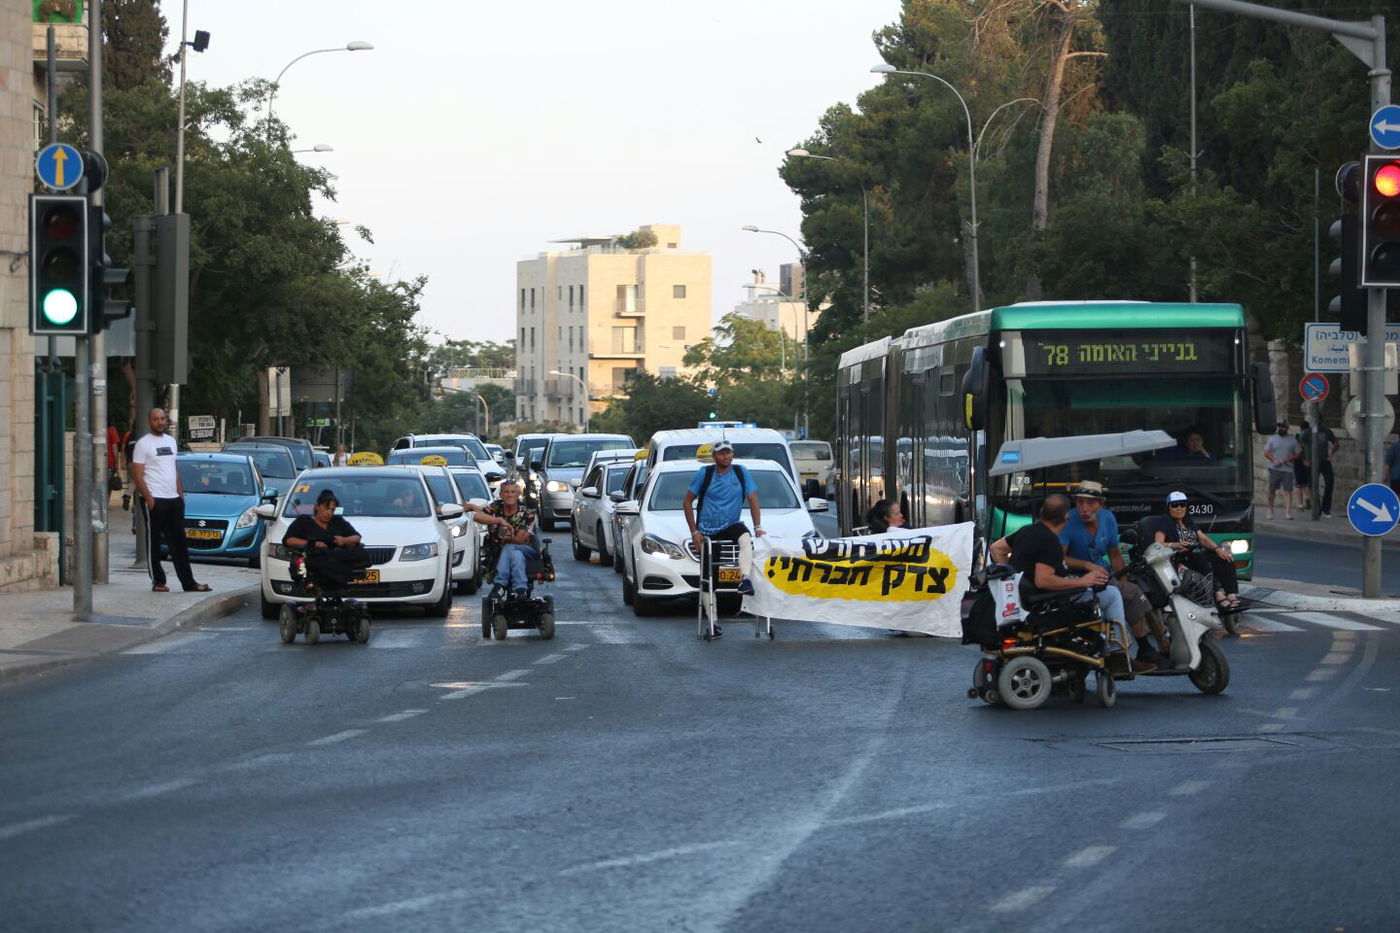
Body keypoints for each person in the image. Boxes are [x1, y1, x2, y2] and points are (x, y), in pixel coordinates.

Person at [989, 494, 1155, 673]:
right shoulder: (1050, 541)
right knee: (1112, 594)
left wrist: (1011, 578)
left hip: (1028, 598)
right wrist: (1082, 581)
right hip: (1048, 602)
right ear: (1066, 517)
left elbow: (996, 549)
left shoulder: (1026, 531)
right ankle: (1117, 655)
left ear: (1042, 512)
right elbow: (1043, 580)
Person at [1060, 481, 1168, 665]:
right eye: (1080, 503)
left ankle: (1160, 644)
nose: (1084, 508)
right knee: (1133, 594)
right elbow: (1059, 558)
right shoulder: (1068, 521)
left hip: (1104, 574)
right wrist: (1085, 564)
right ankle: (1145, 647)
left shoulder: (1108, 518)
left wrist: (1124, 579)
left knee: (1139, 590)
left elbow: (1115, 554)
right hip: (1078, 579)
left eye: (1090, 503)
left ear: (1101, 504)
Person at [683, 440, 765, 638]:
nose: (726, 457)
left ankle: (744, 579)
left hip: (730, 525)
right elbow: (687, 501)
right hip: (707, 530)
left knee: (745, 537)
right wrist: (694, 532)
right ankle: (713, 623)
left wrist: (758, 527)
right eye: (721, 453)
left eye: (728, 453)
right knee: (709, 578)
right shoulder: (705, 473)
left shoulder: (740, 472)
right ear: (714, 456)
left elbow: (753, 499)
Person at [131, 407, 210, 594]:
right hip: (155, 500)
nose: (160, 422)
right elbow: (137, 475)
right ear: (150, 421)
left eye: (162, 418)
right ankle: (158, 581)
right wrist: (149, 499)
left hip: (173, 500)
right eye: (156, 419)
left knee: (180, 543)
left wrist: (180, 495)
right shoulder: (143, 444)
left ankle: (188, 583)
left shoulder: (171, 442)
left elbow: (173, 470)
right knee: (155, 543)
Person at [1150, 490, 1242, 612]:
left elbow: (1203, 539)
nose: (1179, 508)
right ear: (1168, 507)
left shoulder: (1188, 521)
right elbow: (1158, 544)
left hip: (1196, 554)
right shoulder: (1164, 521)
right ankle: (1217, 594)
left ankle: (1231, 595)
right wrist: (1176, 544)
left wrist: (1218, 549)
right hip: (1179, 558)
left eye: (1182, 505)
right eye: (1175, 505)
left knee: (1225, 558)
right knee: (1199, 557)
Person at [283, 489, 370, 585]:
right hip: (315, 555)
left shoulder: (338, 521)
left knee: (361, 553)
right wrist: (313, 544)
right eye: (326, 508)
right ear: (317, 506)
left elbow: (357, 537)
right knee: (318, 559)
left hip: (337, 555)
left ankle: (336, 564)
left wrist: (345, 540)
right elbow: (288, 540)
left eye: (332, 510)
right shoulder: (303, 521)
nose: (329, 513)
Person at [473, 479, 539, 599]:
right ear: (500, 494)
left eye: (513, 492)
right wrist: (498, 520)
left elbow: (519, 540)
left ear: (518, 494)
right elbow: (477, 516)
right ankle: (520, 589)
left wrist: (507, 537)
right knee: (516, 555)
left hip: (527, 549)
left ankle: (499, 584)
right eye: (506, 492)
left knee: (510, 547)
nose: (510, 495)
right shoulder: (495, 507)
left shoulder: (527, 513)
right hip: (501, 551)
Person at [1297, 419, 1339, 518]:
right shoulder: (1307, 433)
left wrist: (1332, 454)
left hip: (1325, 461)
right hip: (1312, 463)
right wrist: (1304, 460)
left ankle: (1326, 508)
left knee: (1329, 483)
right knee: (1313, 486)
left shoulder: (1326, 431)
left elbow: (1336, 443)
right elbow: (1299, 447)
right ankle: (1317, 508)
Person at [1263, 420, 1301, 520]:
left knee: (1287, 491)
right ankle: (1270, 510)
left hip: (1288, 470)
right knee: (1272, 491)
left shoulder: (1292, 440)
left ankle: (1287, 513)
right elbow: (1266, 452)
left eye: (1283, 427)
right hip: (1275, 469)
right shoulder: (1273, 439)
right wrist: (1274, 459)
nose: (1281, 428)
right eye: (1280, 426)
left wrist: (1288, 459)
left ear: (1287, 428)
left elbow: (1298, 454)